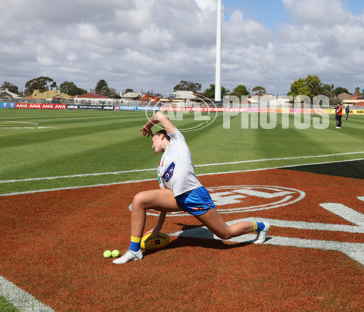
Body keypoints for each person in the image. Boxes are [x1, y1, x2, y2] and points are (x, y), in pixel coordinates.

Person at [113, 111, 270, 264]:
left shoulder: (177, 141)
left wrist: (148, 126)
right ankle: (134, 251)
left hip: (194, 195)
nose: (151, 145)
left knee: (225, 233)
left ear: (162, 136)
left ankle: (261, 226)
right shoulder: (160, 167)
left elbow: (159, 115)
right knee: (139, 199)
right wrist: (157, 228)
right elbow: (163, 199)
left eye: (152, 141)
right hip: (176, 198)